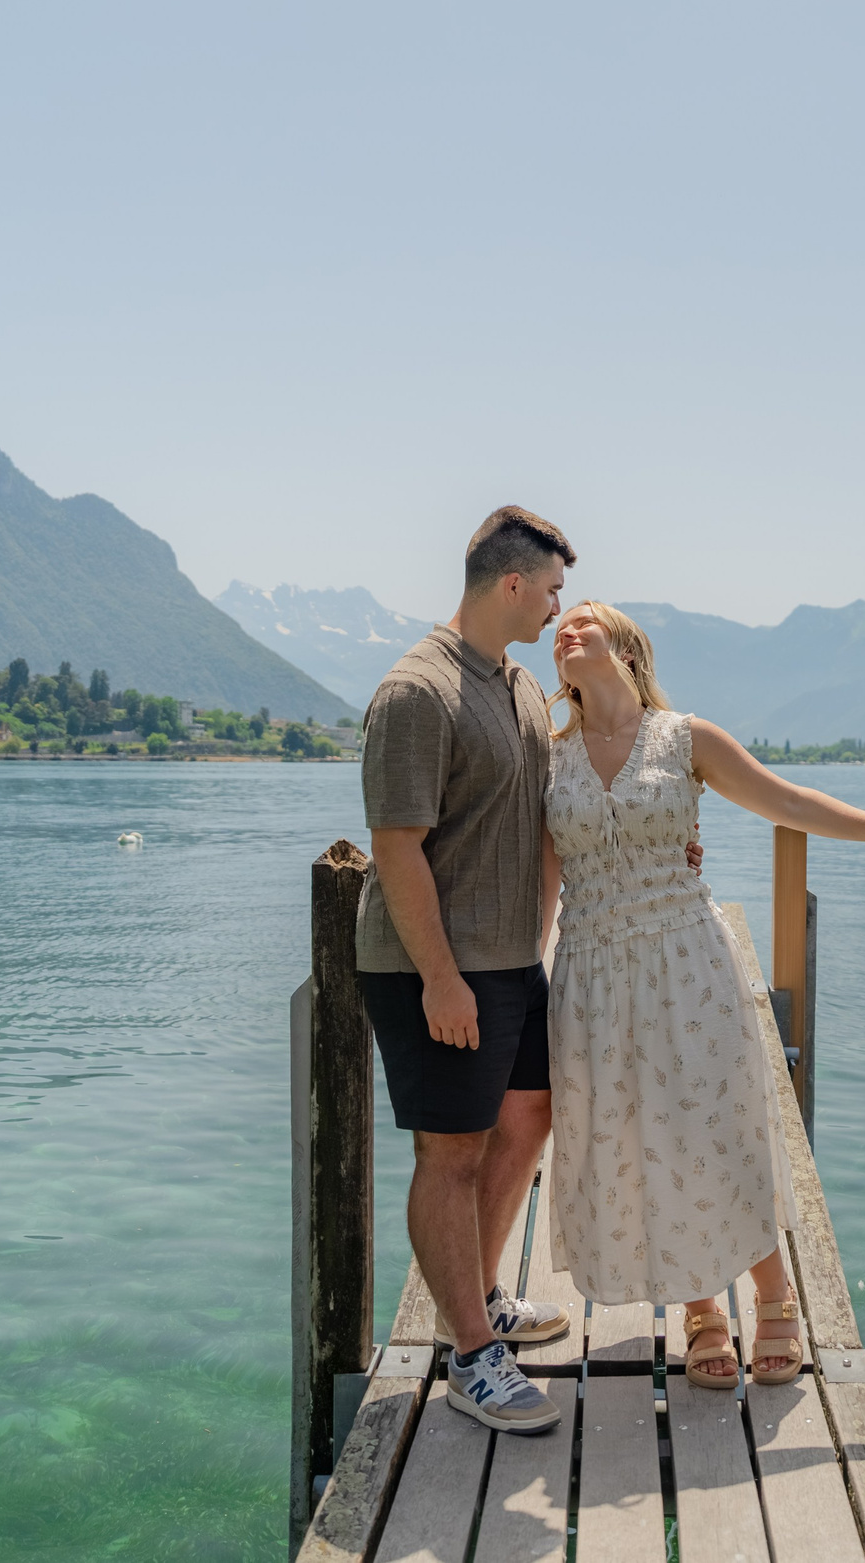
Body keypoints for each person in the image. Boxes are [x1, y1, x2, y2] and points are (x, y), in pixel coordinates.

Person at [541, 600, 865, 1391]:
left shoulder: (685, 739)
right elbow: (540, 885)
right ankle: (703, 1311)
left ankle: (773, 1293)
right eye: (563, 625)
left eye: (585, 620)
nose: (568, 628)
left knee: (714, 1124)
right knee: (637, 1134)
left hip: (686, 961)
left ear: (626, 652)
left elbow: (784, 800)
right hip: (590, 973)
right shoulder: (549, 757)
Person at [352, 506, 579, 1436]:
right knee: (450, 1155)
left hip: (513, 963)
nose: (561, 609)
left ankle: (478, 1299)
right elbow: (396, 848)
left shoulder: (519, 687)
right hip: (432, 968)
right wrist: (441, 978)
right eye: (553, 590)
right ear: (512, 584)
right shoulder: (418, 692)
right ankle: (472, 1358)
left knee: (529, 1117)